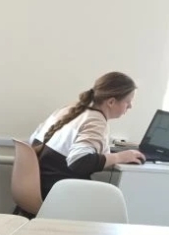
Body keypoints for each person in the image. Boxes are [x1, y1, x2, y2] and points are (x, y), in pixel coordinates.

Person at [31, 71, 145, 199]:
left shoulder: (69, 109)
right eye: (128, 102)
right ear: (111, 102)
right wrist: (120, 157)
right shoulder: (95, 121)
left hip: (39, 187)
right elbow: (79, 161)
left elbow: (34, 142)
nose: (130, 106)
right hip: (57, 195)